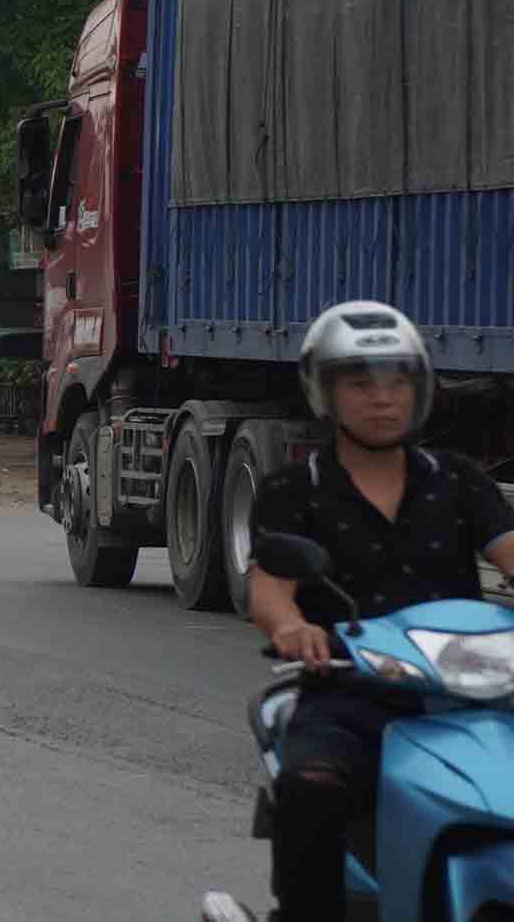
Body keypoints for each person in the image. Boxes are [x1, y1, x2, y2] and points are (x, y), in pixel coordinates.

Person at [236, 300, 514, 922]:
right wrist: (292, 628)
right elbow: (270, 589)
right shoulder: (292, 489)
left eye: (397, 382)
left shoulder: (460, 479)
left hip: (471, 689)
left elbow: (509, 550)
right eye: (360, 383)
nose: (382, 398)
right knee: (312, 788)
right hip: (350, 688)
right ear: (325, 393)